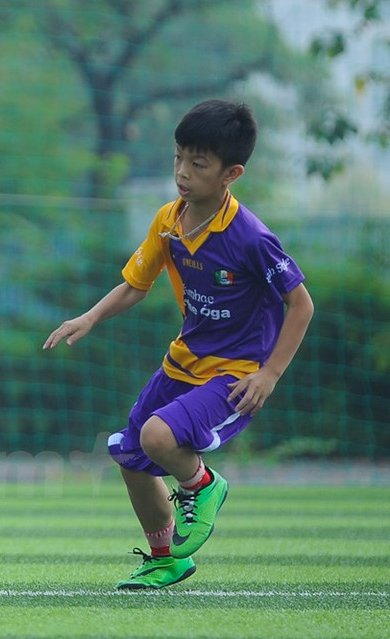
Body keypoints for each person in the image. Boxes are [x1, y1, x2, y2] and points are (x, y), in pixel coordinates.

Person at [43, 99, 313, 589]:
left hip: (234, 375)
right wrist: (89, 317)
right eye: (178, 158)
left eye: (198, 164)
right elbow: (136, 284)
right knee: (131, 457)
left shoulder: (251, 238)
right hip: (182, 363)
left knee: (157, 436)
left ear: (231, 174)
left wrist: (269, 374)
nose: (182, 173)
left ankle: (204, 485)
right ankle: (165, 559)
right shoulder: (169, 220)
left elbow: (301, 304)